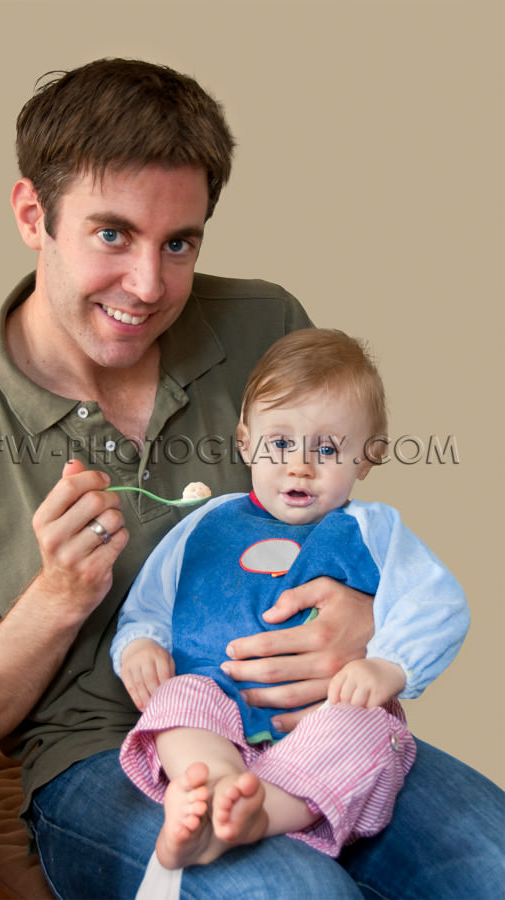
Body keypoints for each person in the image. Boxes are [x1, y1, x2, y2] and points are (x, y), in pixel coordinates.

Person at [0, 58, 502, 899]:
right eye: (112, 234)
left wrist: (367, 622)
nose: (149, 288)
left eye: (178, 243)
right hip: (102, 756)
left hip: (314, 724)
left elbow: (349, 526)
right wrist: (56, 600)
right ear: (33, 215)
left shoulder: (264, 324)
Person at [112, 328, 466, 868]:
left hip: (323, 716)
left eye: (327, 448)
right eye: (280, 443)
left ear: (367, 459)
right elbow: (151, 603)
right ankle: (212, 790)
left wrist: (391, 667)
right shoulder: (207, 523)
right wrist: (140, 645)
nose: (300, 465)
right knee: (177, 699)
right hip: (219, 698)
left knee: (365, 730)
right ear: (245, 441)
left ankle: (260, 812)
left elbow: (435, 602)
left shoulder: (373, 530)